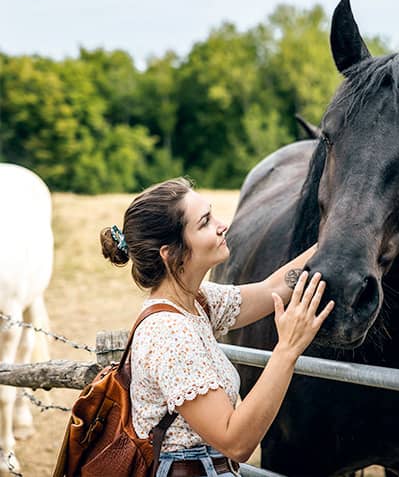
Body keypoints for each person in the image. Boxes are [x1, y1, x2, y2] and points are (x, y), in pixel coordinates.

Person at [99, 177, 334, 476]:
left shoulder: (197, 302)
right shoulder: (169, 334)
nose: (222, 225)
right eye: (205, 222)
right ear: (171, 254)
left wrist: (336, 236)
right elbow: (235, 442)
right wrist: (287, 349)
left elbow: (270, 289)